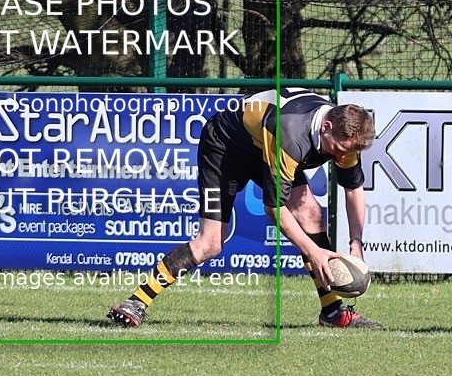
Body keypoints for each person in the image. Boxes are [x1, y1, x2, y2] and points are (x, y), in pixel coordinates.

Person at [108, 88, 384, 329]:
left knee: (311, 214)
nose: (338, 157)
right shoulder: (290, 135)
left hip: (262, 146)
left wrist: (356, 243)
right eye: (336, 149)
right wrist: (315, 252)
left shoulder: (346, 137)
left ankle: (333, 311)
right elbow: (274, 210)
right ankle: (136, 302)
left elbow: (353, 190)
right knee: (210, 244)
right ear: (326, 126)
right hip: (225, 146)